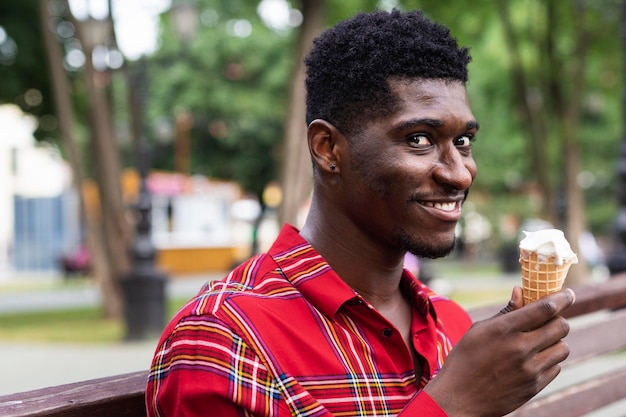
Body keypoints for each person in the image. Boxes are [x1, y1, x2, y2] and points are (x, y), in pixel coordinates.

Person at [146, 9, 575, 416]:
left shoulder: (451, 323)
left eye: (463, 141)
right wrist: (451, 406)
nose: (459, 175)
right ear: (328, 149)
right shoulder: (226, 340)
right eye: (420, 139)